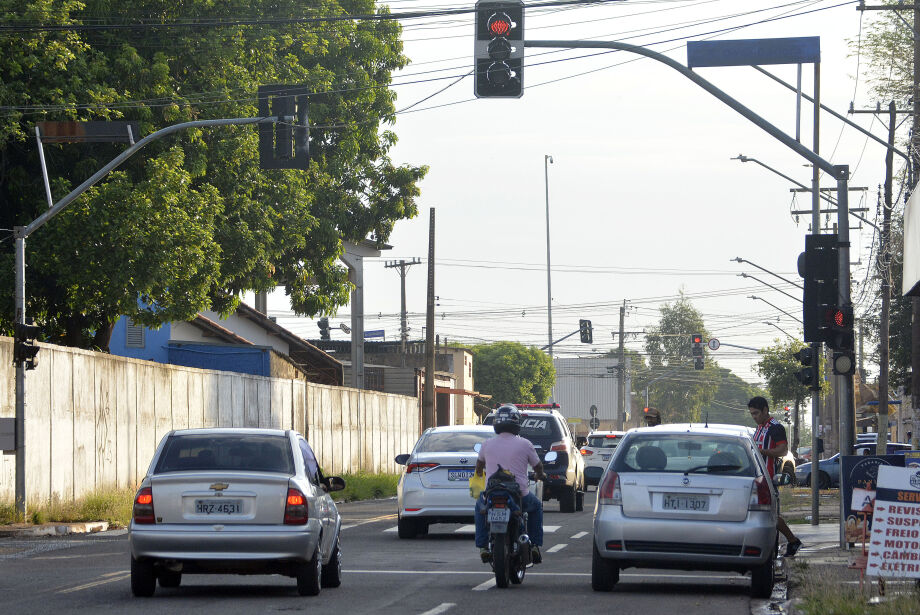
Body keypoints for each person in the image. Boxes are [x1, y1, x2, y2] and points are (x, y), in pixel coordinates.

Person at [474, 404, 547, 564]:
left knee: (480, 508)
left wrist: (481, 474)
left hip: (492, 493)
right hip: (519, 494)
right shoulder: (525, 444)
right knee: (536, 507)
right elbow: (538, 466)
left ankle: (483, 547)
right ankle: (534, 545)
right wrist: (540, 475)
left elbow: (479, 467)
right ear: (516, 423)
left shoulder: (487, 444)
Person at [748, 396, 803, 557]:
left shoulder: (775, 427)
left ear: (765, 410)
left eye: (756, 413)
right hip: (755, 476)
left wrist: (761, 452)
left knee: (771, 514)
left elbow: (783, 450)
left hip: (767, 476)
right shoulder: (759, 428)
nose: (754, 417)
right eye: (752, 414)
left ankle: (793, 541)